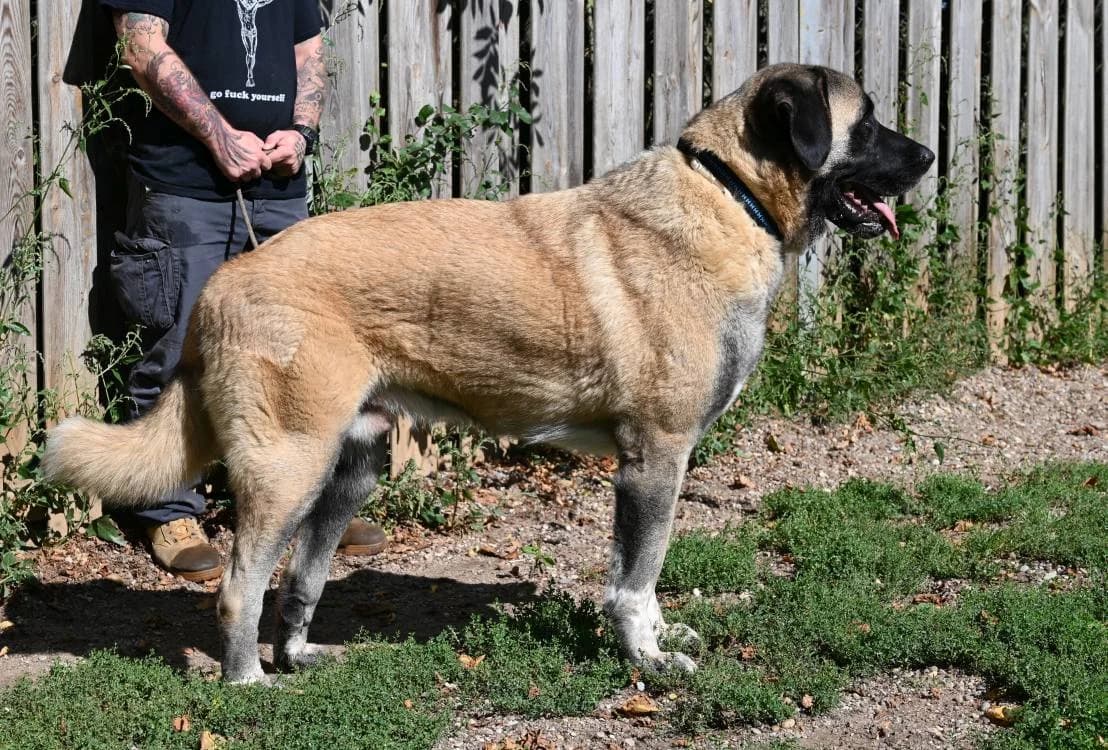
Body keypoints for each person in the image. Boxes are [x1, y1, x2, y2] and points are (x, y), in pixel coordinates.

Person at [102, 0, 386, 581]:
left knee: (303, 357)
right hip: (185, 188)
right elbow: (142, 46)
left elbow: (308, 55)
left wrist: (300, 134)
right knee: (180, 350)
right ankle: (170, 511)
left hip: (278, 190)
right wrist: (219, 135)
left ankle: (299, 501)